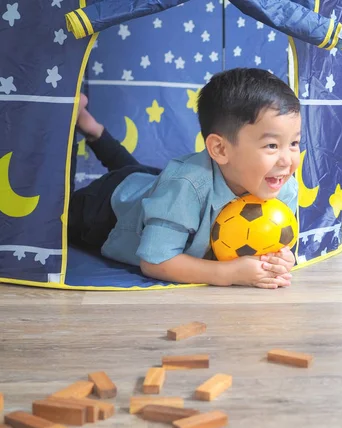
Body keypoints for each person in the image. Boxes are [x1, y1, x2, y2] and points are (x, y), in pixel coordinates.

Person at [69, 68, 300, 289]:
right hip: (109, 205)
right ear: (220, 149)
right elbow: (155, 261)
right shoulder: (185, 185)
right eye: (272, 145)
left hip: (157, 186)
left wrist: (281, 260)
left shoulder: (282, 185)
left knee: (146, 176)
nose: (287, 160)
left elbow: (279, 245)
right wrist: (229, 274)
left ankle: (92, 128)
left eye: (294, 143)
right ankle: (81, 124)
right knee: (57, 215)